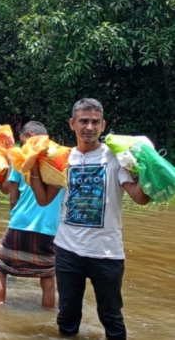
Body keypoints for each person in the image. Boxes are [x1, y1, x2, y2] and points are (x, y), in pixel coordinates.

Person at [28, 99, 150, 340]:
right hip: (68, 250)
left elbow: (139, 198)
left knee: (111, 316)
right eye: (84, 121)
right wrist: (32, 166)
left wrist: (146, 170)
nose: (90, 127)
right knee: (67, 316)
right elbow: (43, 199)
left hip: (106, 252)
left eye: (95, 122)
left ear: (103, 125)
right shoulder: (63, 158)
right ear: (72, 124)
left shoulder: (115, 157)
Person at [0, 121, 63, 308]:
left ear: (30, 136)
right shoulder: (60, 160)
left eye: (23, 141)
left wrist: (13, 218)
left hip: (20, 223)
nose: (23, 146)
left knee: (0, 269)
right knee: (48, 277)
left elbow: (13, 197)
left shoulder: (22, 160)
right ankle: (47, 316)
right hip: (50, 227)